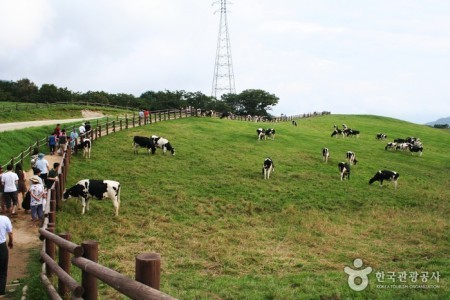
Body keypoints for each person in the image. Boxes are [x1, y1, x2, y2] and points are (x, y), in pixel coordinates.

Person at [0, 214, 13, 297]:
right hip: (1, 247)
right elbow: (10, 233)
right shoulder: (5, 219)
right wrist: (11, 242)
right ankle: (1, 291)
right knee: (3, 270)